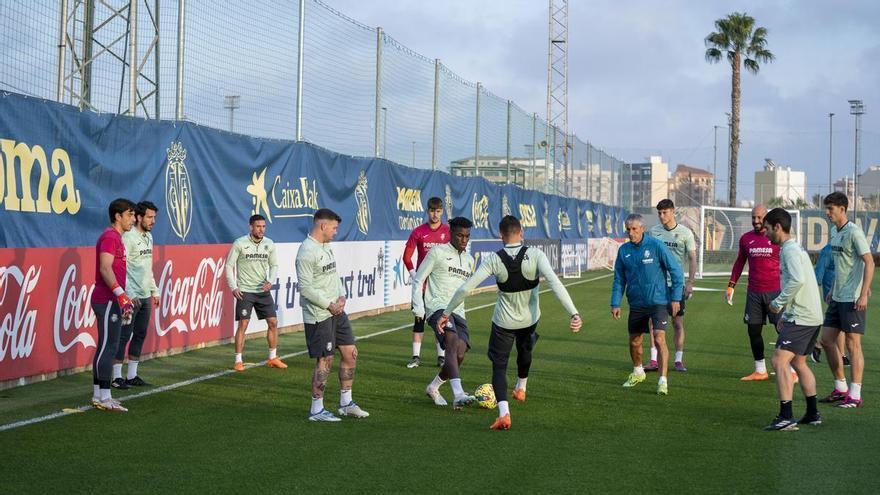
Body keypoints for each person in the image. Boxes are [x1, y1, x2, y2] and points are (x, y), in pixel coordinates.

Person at [440, 215, 582, 430]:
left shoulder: (494, 259)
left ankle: (504, 413)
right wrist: (574, 313)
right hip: (529, 320)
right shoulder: (535, 255)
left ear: (500, 235)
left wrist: (446, 312)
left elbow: (465, 289)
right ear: (521, 232)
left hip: (504, 323)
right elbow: (555, 283)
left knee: (499, 366)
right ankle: (521, 387)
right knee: (525, 352)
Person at [296, 209, 369, 421]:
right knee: (325, 360)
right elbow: (305, 288)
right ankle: (316, 409)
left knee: (350, 353)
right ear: (323, 226)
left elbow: (333, 275)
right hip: (319, 315)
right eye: (334, 227)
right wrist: (329, 305)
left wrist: (342, 295)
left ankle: (346, 403)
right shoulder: (306, 252)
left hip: (336, 311)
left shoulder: (326, 247)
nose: (336, 232)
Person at [762, 208, 823, 431]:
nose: (766, 234)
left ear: (778, 227)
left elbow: (796, 281)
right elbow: (801, 284)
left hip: (803, 317)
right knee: (798, 362)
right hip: (810, 316)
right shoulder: (793, 249)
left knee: (779, 361)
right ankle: (813, 413)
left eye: (767, 229)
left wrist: (778, 304)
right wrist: (786, 315)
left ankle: (786, 416)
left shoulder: (789, 250)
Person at [611, 214, 684, 396]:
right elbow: (619, 279)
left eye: (634, 229)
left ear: (642, 228)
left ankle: (662, 381)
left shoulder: (656, 246)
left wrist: (675, 298)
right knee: (635, 341)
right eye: (628, 229)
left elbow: (675, 271)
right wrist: (615, 302)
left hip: (658, 301)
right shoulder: (624, 251)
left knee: (659, 339)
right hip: (636, 303)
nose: (631, 233)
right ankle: (637, 372)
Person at [412, 217, 477, 409]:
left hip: (459, 311)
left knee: (460, 354)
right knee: (451, 341)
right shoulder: (437, 252)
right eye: (460, 235)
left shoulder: (469, 260)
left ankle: (433, 387)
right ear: (451, 234)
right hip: (437, 308)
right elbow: (418, 279)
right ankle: (458, 394)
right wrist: (419, 309)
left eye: (467, 236)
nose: (464, 240)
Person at [818, 192, 875, 408]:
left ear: (842, 209)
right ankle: (840, 388)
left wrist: (863, 292)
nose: (827, 213)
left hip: (852, 298)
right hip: (838, 296)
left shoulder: (854, 232)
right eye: (826, 208)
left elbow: (869, 262)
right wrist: (832, 288)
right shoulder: (834, 231)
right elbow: (841, 263)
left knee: (853, 345)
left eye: (830, 209)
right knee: (827, 341)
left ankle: (855, 394)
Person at [726, 205, 785, 381]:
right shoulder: (746, 239)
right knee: (753, 331)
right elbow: (739, 263)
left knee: (783, 330)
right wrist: (731, 286)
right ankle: (760, 370)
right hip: (754, 293)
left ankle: (790, 369)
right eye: (753, 217)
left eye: (759, 217)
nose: (756, 221)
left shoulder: (776, 238)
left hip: (775, 293)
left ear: (766, 218)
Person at [90, 198, 137, 412]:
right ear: (118, 216)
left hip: (111, 298)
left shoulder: (116, 238)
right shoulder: (110, 236)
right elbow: (105, 268)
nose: (133, 219)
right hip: (106, 299)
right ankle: (104, 396)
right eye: (130, 214)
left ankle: (99, 395)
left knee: (104, 346)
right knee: (109, 347)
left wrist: (122, 295)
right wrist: (120, 294)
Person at [225, 214, 284, 372]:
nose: (261, 229)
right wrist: (233, 287)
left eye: (264, 226)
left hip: (262, 291)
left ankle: (272, 358)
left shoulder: (269, 244)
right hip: (245, 291)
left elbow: (274, 265)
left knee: (273, 322)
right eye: (258, 226)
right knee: (243, 324)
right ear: (251, 227)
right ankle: (238, 360)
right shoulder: (240, 243)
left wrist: (270, 281)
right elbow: (229, 266)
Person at [112, 201, 160, 389]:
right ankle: (116, 377)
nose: (153, 221)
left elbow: (147, 268)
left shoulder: (149, 237)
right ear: (139, 217)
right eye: (149, 217)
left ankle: (132, 375)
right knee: (124, 335)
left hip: (146, 295)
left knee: (140, 334)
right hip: (131, 297)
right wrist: (129, 294)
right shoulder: (128, 238)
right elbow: (122, 269)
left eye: (154, 217)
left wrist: (154, 291)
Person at [646, 199, 696, 372]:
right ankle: (653, 360)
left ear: (673, 211)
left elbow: (692, 258)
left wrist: (690, 282)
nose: (661, 216)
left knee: (677, 323)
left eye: (665, 212)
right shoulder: (654, 232)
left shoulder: (685, 233)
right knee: (653, 323)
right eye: (659, 213)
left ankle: (678, 360)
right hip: (658, 286)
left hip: (676, 286)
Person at [403, 197, 450, 369]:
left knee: (441, 321)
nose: (435, 214)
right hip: (422, 286)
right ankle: (415, 357)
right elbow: (406, 257)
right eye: (432, 210)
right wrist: (415, 275)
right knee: (419, 319)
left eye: (438, 211)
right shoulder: (418, 232)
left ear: (442, 211)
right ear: (427, 211)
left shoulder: (448, 232)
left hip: (440, 286)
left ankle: (442, 357)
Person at [812, 243, 848, 364]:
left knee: (838, 323)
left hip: (845, 289)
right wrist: (815, 287)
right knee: (839, 322)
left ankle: (819, 345)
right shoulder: (828, 250)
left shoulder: (845, 247)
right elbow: (819, 271)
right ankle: (840, 354)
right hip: (833, 290)